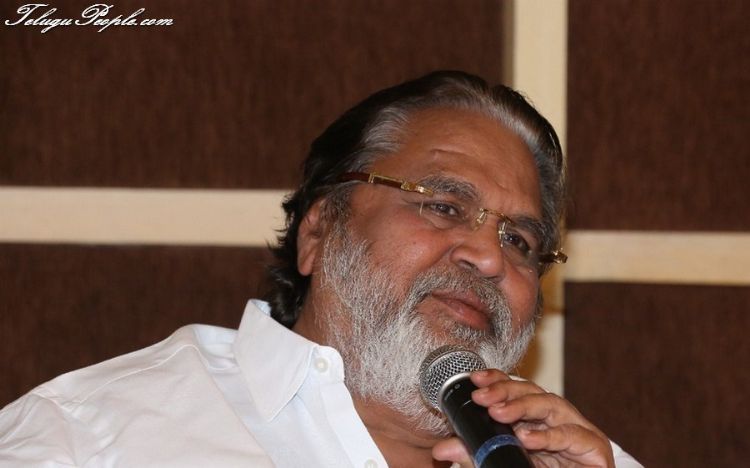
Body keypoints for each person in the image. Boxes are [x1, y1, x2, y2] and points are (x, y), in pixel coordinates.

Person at [0, 71, 641, 467]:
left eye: (520, 241)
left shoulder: (580, 461)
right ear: (319, 230)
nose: (490, 257)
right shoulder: (85, 438)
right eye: (444, 206)